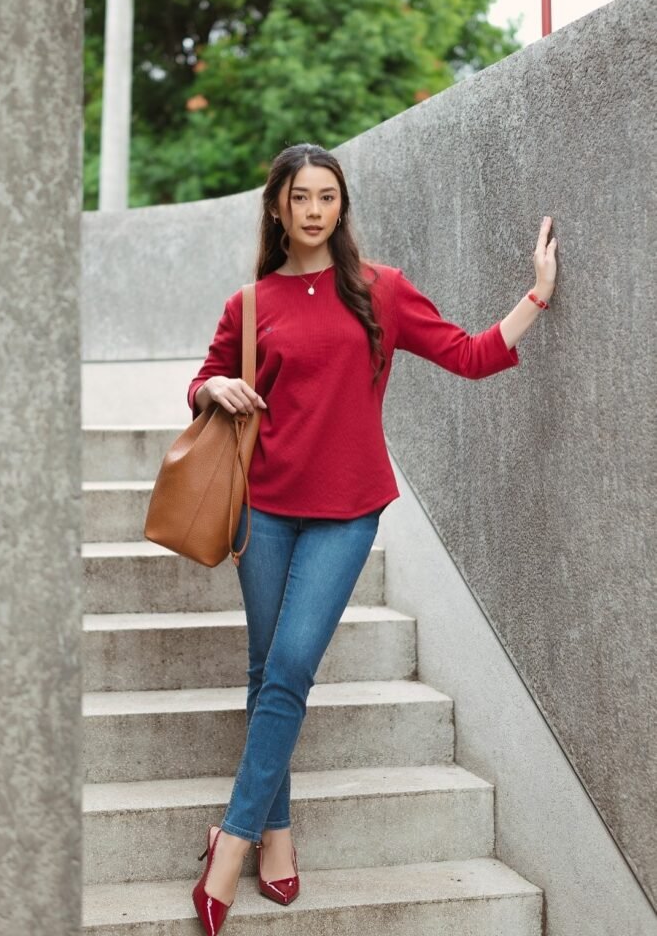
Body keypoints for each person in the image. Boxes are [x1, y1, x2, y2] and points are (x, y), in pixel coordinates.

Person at [187, 142, 558, 934]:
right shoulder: (248, 305)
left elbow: (467, 354)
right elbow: (205, 379)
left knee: (288, 667)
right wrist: (210, 384)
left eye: (328, 196)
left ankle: (231, 842)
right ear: (278, 209)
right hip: (262, 506)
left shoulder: (377, 290)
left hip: (347, 509)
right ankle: (276, 836)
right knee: (265, 675)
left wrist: (535, 295)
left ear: (340, 206)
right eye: (300, 197)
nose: (315, 209)